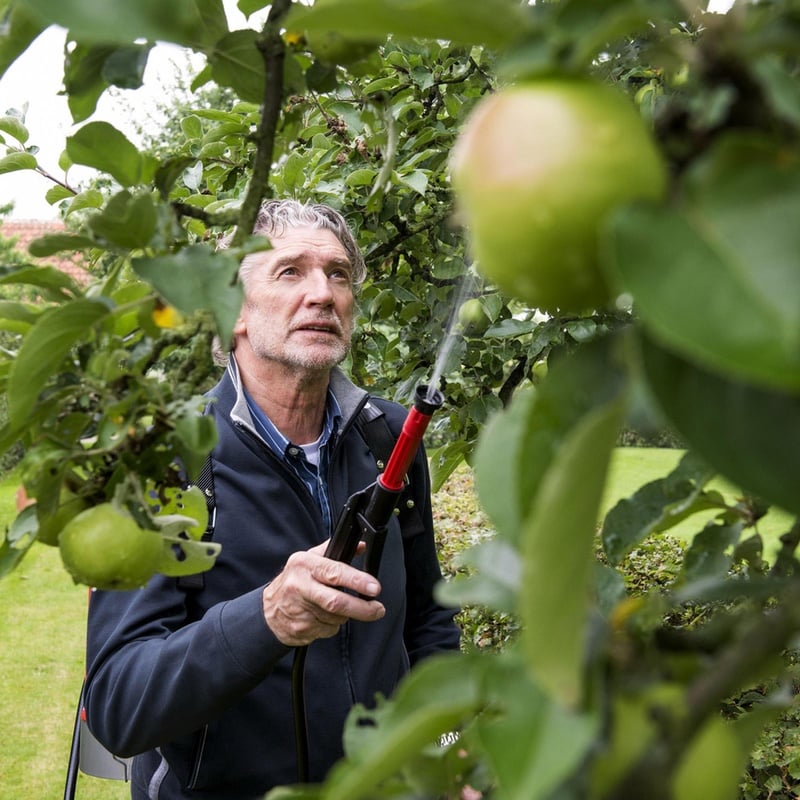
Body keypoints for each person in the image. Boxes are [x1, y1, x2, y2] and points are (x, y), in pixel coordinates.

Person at [82, 199, 461, 800]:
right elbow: (120, 705)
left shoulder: (388, 438)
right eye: (291, 271)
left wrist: (445, 752)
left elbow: (428, 624)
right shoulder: (164, 462)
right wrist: (265, 618)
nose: (323, 294)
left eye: (338, 274)